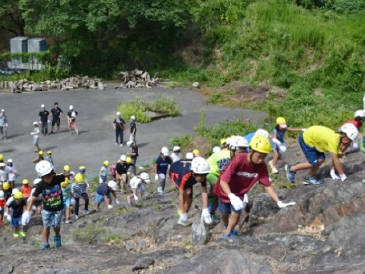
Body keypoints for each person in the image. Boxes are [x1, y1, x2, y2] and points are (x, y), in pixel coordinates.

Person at [214, 135, 296, 238]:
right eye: (259, 156)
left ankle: (228, 233)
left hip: (239, 192)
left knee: (236, 213)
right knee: (224, 213)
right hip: (225, 191)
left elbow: (267, 185)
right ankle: (227, 224)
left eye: (264, 157)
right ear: (251, 151)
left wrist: (278, 202)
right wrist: (231, 196)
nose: (261, 160)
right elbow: (223, 181)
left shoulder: (261, 167)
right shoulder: (239, 159)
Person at [285, 124, 358, 185]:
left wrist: (332, 171)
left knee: (321, 159)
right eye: (349, 140)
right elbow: (335, 160)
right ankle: (292, 169)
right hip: (307, 139)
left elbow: (335, 156)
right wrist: (342, 176)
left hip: (314, 139)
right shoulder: (334, 140)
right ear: (344, 135)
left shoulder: (339, 137)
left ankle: (308, 177)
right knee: (313, 163)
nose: (349, 143)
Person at [25, 160, 69, 250]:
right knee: (46, 226)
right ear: (42, 177)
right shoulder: (40, 185)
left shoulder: (57, 178)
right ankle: (45, 243)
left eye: (50, 175)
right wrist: (27, 212)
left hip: (58, 208)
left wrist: (69, 173)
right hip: (47, 209)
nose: (49, 178)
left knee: (56, 225)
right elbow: (33, 198)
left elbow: (65, 176)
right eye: (46, 176)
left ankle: (57, 236)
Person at [170, 157, 212, 226]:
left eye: (205, 175)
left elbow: (204, 191)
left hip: (190, 175)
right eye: (201, 177)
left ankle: (183, 217)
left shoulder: (201, 173)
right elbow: (181, 195)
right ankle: (181, 211)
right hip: (176, 173)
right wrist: (183, 213)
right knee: (187, 192)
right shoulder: (185, 175)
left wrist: (205, 209)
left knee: (190, 198)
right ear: (194, 173)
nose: (203, 179)